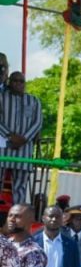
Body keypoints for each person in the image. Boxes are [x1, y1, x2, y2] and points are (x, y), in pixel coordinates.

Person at [0, 72, 43, 204]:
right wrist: (9, 135)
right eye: (15, 81)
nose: (18, 84)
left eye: (21, 81)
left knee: (20, 186)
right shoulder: (1, 97)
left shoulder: (34, 100)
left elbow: (38, 122)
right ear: (9, 82)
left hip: (24, 149)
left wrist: (24, 139)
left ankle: (19, 217)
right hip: (3, 147)